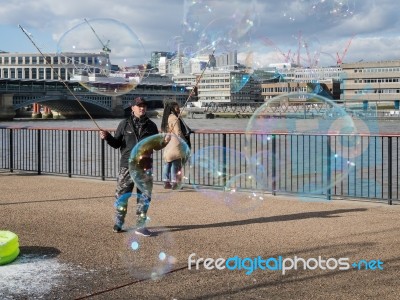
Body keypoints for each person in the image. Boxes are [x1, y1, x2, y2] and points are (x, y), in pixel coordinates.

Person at [99, 97, 165, 236]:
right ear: (132, 108)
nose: (142, 108)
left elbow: (157, 146)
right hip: (127, 165)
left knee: (144, 197)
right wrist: (107, 137)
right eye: (139, 106)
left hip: (145, 166)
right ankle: (119, 222)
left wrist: (164, 142)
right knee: (121, 195)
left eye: (144, 106)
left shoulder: (151, 126)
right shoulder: (124, 124)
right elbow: (116, 143)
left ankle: (141, 226)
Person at [160, 102, 191, 190]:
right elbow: (178, 132)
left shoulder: (166, 118)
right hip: (175, 143)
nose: (179, 110)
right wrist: (185, 141)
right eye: (177, 108)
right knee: (175, 163)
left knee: (167, 163)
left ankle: (166, 182)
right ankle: (175, 183)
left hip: (168, 143)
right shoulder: (174, 118)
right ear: (173, 109)